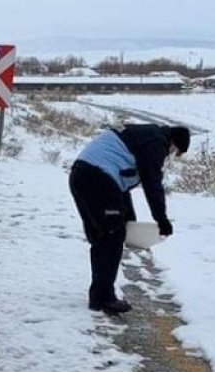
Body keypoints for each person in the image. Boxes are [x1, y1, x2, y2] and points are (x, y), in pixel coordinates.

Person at [69, 123, 190, 315]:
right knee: (112, 236)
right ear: (174, 142)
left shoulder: (143, 135)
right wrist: (162, 219)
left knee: (103, 236)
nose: (171, 155)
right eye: (175, 151)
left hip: (81, 175)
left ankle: (100, 295)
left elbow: (120, 180)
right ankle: (103, 298)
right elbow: (152, 182)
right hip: (98, 178)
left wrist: (128, 216)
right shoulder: (157, 142)